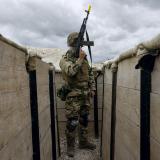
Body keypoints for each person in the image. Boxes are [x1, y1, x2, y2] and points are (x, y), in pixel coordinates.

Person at [59, 32, 96, 157]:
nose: (80, 46)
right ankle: (70, 147)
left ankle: (83, 142)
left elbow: (90, 73)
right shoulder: (65, 59)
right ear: (72, 43)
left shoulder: (84, 59)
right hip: (73, 95)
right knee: (72, 122)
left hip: (85, 94)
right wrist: (80, 59)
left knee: (84, 119)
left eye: (81, 43)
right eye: (78, 43)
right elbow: (71, 72)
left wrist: (93, 88)